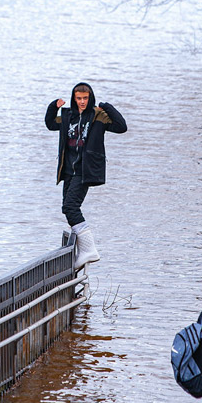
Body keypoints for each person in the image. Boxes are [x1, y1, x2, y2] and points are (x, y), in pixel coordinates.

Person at [44, 82, 127, 270]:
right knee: (67, 208)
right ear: (74, 98)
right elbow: (50, 124)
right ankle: (84, 249)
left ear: (90, 98)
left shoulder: (98, 116)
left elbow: (122, 127)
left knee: (71, 207)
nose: (82, 102)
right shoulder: (67, 116)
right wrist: (52, 107)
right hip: (68, 171)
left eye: (85, 98)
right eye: (79, 98)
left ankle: (89, 249)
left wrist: (106, 106)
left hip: (86, 170)